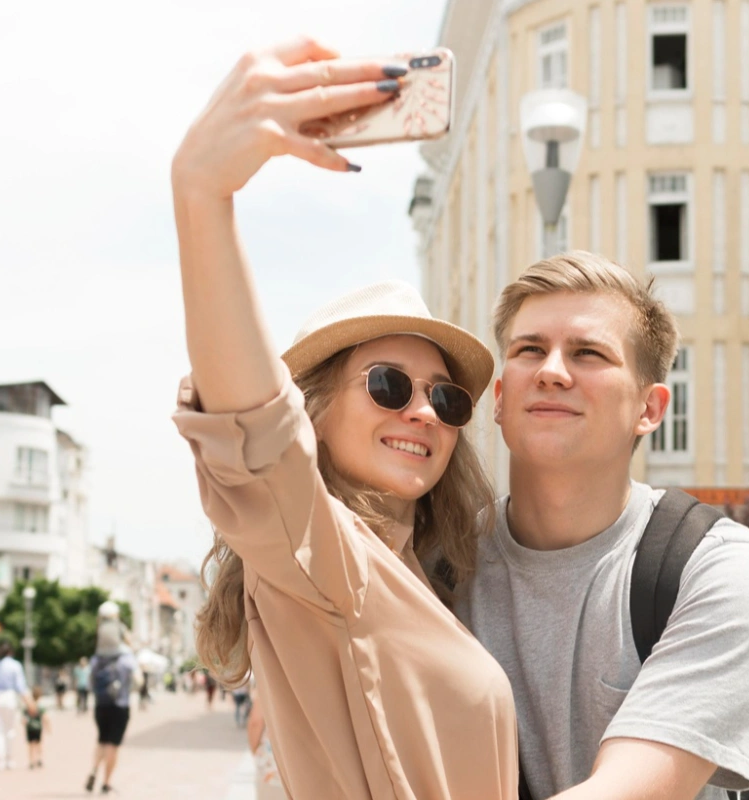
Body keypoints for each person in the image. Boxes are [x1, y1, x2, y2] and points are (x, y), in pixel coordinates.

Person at [170, 37, 515, 800]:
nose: (423, 411)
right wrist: (201, 191)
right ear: (315, 412)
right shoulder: (328, 559)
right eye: (389, 385)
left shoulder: (416, 573)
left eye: (448, 399)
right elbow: (257, 435)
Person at [453, 252, 749, 799]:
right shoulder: (438, 571)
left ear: (649, 409)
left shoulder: (723, 568)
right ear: (499, 397)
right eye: (528, 350)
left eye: (588, 353)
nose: (550, 371)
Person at [85, 650, 138, 794]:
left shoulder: (97, 657)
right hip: (120, 706)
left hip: (101, 705)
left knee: (102, 740)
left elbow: (90, 682)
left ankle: (94, 770)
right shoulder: (127, 657)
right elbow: (138, 681)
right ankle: (106, 783)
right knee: (113, 745)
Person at [0, 642, 28, 771]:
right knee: (9, 730)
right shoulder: (15, 665)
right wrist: (28, 702)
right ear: (10, 652)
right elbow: (20, 686)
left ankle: (0, 760)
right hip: (9, 697)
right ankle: (9, 758)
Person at [24, 686, 48, 770]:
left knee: (31, 745)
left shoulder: (28, 706)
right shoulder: (40, 706)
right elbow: (45, 717)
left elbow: (24, 719)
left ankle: (31, 761)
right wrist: (48, 726)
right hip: (38, 728)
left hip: (30, 728)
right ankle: (39, 758)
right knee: (38, 744)